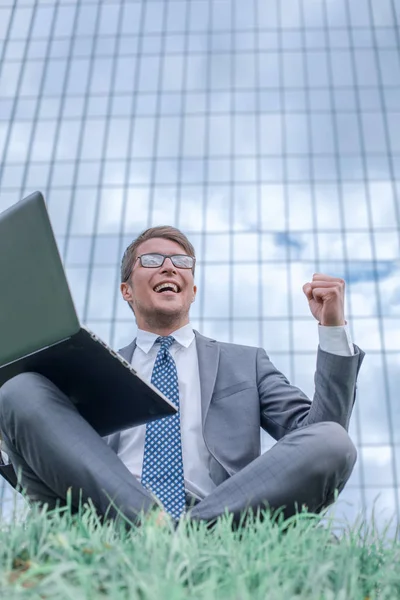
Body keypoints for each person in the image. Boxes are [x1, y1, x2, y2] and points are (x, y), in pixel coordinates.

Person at [0, 226, 364, 527]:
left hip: (222, 517)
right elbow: (56, 463)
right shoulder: (87, 369)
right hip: (106, 513)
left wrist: (332, 329)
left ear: (192, 290)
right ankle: (151, 524)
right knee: (18, 390)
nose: (170, 267)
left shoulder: (245, 362)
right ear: (127, 290)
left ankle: (180, 533)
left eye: (182, 262)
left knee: (333, 439)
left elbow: (321, 433)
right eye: (153, 260)